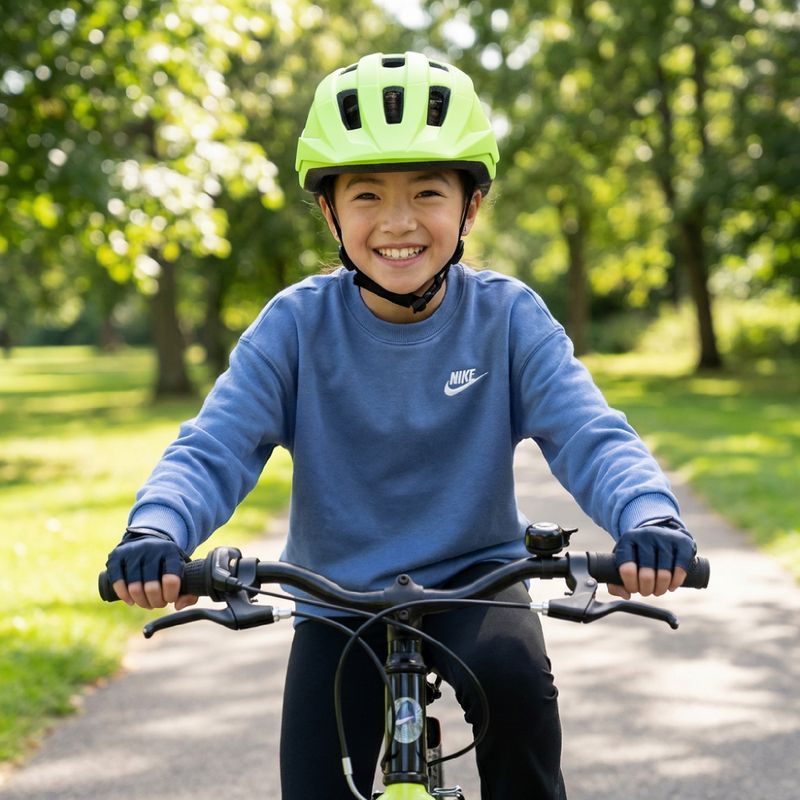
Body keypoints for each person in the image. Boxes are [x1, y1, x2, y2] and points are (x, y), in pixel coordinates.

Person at [106, 51, 696, 799]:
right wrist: (155, 533)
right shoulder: (294, 327)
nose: (397, 223)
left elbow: (590, 434)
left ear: (470, 207)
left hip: (477, 581)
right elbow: (214, 445)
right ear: (329, 210)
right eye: (365, 196)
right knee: (316, 779)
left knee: (517, 692)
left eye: (426, 192)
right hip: (332, 594)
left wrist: (648, 517)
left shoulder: (508, 318)